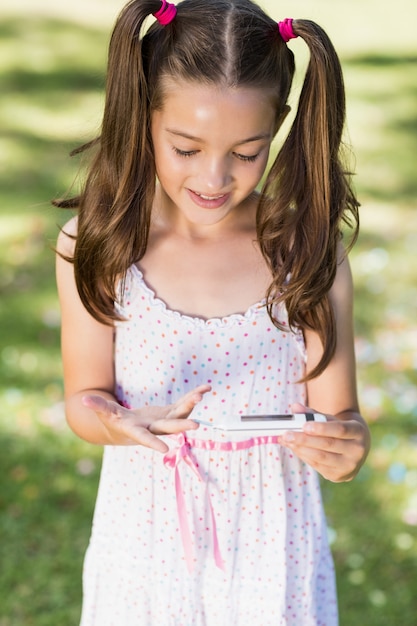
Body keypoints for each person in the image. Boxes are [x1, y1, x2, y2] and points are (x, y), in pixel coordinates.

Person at [55, 0, 371, 624]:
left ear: (278, 126)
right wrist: (120, 423)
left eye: (247, 152)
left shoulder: (303, 250)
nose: (215, 177)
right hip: (143, 542)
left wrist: (349, 445)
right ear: (144, 115)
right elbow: (83, 400)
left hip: (272, 545)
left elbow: (342, 416)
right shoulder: (98, 247)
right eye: (186, 147)